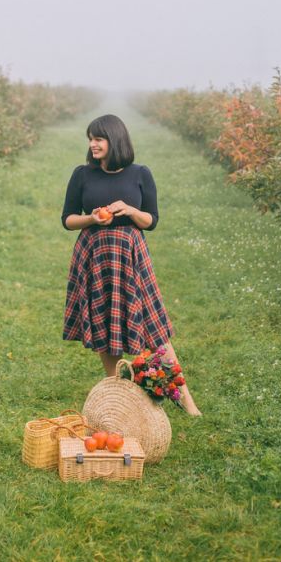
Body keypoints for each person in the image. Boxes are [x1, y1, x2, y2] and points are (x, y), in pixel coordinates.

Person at [61, 113, 202, 417]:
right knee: (103, 323)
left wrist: (129, 209)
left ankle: (186, 400)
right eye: (91, 138)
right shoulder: (82, 175)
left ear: (115, 140)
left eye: (99, 138)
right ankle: (116, 397)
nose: (92, 144)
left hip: (130, 255)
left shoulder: (140, 173)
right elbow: (68, 219)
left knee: (153, 326)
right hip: (95, 255)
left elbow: (151, 220)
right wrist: (92, 218)